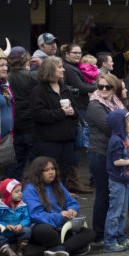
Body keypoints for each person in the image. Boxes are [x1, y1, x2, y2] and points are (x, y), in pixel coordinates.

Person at [21, 156, 94, 256]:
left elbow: (71, 202)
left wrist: (71, 210)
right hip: (42, 226)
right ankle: (73, 248)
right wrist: (59, 216)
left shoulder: (57, 184)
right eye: (46, 170)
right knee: (46, 231)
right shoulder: (30, 189)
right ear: (38, 172)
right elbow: (35, 215)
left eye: (53, 169)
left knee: (89, 233)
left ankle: (61, 249)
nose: (51, 172)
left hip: (61, 225)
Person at [85, 73, 126, 246]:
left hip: (112, 150)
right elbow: (109, 126)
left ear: (114, 88)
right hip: (100, 152)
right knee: (103, 192)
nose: (103, 90)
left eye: (107, 87)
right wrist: (124, 128)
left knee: (111, 193)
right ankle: (99, 232)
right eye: (100, 86)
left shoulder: (116, 102)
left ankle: (112, 230)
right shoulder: (95, 105)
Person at [30, 56, 81, 192]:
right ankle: (46, 205)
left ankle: (60, 204)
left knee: (62, 175)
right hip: (48, 142)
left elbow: (76, 110)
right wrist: (61, 113)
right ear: (50, 70)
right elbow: (38, 115)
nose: (63, 69)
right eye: (59, 67)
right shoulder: (39, 90)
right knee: (46, 176)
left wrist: (72, 112)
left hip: (67, 141)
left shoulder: (64, 88)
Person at [104, 108, 129, 252]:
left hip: (125, 178)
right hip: (117, 179)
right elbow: (116, 162)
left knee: (123, 211)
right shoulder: (115, 141)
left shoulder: (123, 137)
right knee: (115, 211)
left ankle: (121, 237)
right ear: (119, 123)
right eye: (126, 121)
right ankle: (110, 240)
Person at [6, 47, 37, 178]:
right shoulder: (32, 76)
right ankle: (35, 191)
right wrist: (42, 65)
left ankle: (12, 191)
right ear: (27, 59)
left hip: (14, 124)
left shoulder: (6, 77)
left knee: (16, 162)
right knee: (35, 161)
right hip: (30, 123)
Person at [0, 177, 31, 256]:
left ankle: (20, 252)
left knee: (27, 230)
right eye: (16, 191)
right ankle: (10, 255)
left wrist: (21, 225)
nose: (20, 193)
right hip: (5, 232)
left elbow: (26, 219)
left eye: (20, 191)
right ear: (8, 194)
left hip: (17, 232)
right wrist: (6, 226)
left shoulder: (22, 205)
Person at [0, 50, 16, 179]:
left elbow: (10, 109)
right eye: (1, 65)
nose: (5, 68)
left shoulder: (3, 85)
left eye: (6, 65)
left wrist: (11, 134)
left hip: (5, 138)